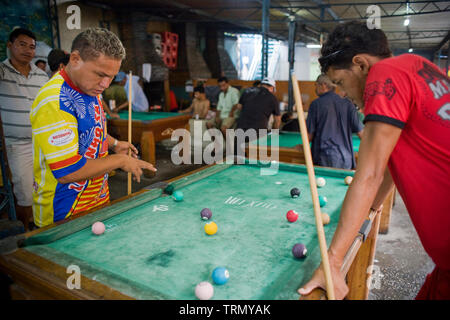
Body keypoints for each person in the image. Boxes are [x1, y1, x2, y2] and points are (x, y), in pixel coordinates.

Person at [298, 21, 450, 300]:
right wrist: (373, 209)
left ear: (361, 64)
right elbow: (391, 164)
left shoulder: (384, 75)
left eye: (341, 83)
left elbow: (368, 175)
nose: (342, 94)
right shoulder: (416, 65)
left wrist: (332, 263)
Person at [30, 27, 156, 228]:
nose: (106, 84)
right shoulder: (54, 100)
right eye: (100, 74)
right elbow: (67, 172)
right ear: (75, 59)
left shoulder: (90, 87)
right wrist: (119, 160)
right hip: (63, 213)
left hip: (96, 201)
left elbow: (90, 130)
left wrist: (114, 144)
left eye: (112, 77)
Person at [0, 28, 48, 230]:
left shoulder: (42, 76)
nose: (28, 50)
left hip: (42, 142)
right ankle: (26, 233)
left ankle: (41, 226)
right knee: (25, 193)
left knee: (46, 188)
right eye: (22, 44)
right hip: (17, 144)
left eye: (32, 47)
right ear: (9, 46)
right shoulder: (1, 72)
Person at [305, 74, 363, 169]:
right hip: (347, 157)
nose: (315, 89)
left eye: (316, 85)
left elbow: (309, 135)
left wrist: (302, 146)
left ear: (323, 85)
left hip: (325, 157)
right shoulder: (348, 104)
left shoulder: (316, 104)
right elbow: (361, 134)